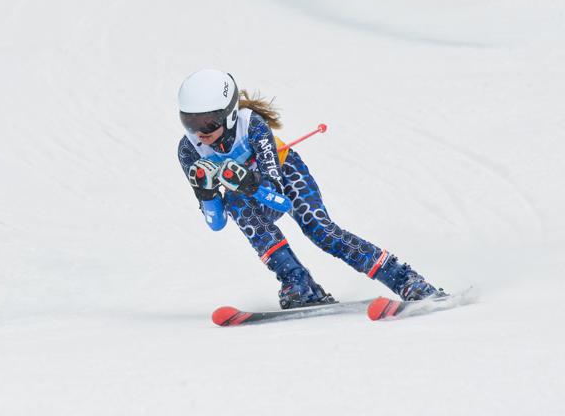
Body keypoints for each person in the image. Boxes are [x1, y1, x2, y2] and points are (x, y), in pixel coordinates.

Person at [176, 68, 442, 309]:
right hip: (251, 194)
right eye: (189, 122)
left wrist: (249, 183)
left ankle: (404, 278)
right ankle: (298, 283)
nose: (200, 132)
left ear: (230, 115)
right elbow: (217, 223)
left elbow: (278, 199)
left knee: (320, 230)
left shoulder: (252, 125)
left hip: (286, 174)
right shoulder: (189, 150)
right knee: (236, 202)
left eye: (208, 122)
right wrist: (206, 194)